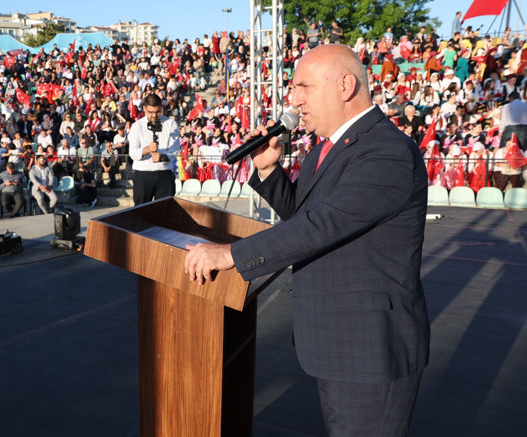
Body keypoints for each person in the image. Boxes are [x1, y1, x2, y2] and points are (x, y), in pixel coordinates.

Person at [184, 45, 430, 437]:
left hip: (369, 348)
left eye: (304, 86)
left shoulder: (386, 151)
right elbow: (303, 213)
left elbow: (322, 225)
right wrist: (268, 171)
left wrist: (231, 255)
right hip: (339, 343)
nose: (293, 99)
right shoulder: (324, 151)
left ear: (345, 85)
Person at [128, 93, 180, 205]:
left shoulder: (171, 124)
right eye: (151, 112)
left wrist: (163, 157)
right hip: (143, 175)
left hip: (165, 173)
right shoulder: (137, 126)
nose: (154, 115)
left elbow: (175, 149)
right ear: (144, 109)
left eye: (157, 112)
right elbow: (133, 153)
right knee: (140, 212)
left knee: (165, 212)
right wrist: (147, 149)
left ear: (161, 108)